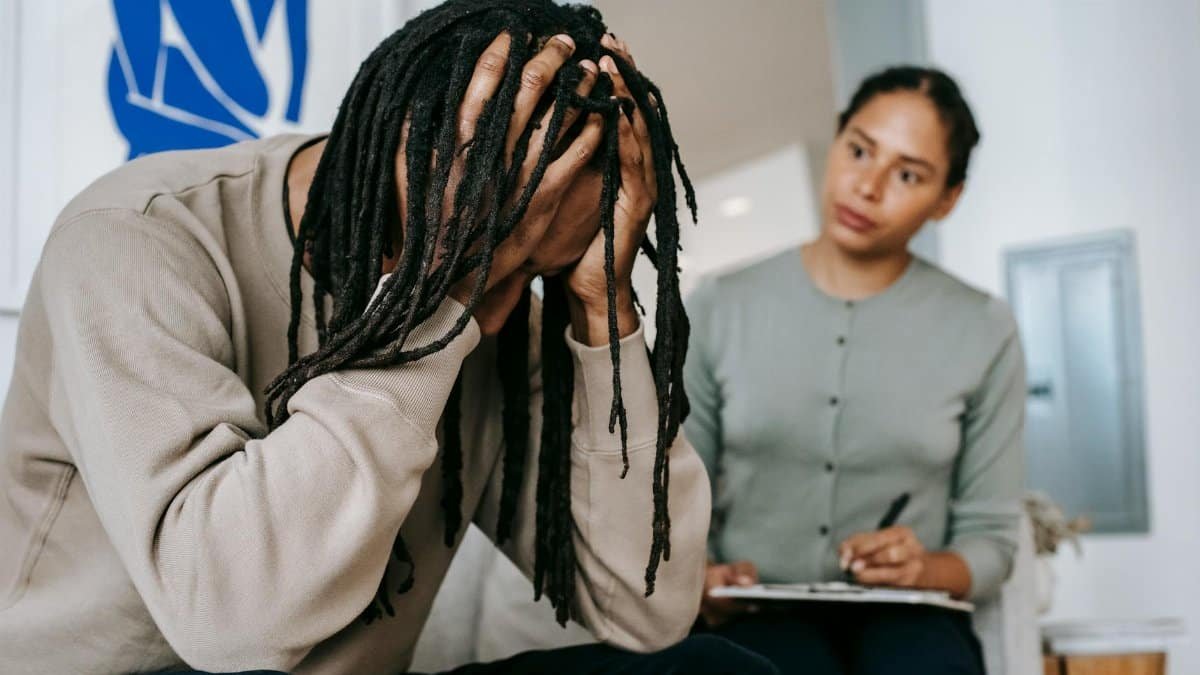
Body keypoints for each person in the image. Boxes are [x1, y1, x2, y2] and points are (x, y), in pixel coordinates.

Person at [0, 1, 778, 673]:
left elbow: (649, 607)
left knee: (707, 670)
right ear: (410, 164)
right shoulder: (136, 241)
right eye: (493, 267)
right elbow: (228, 619)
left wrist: (602, 308)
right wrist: (437, 300)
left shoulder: (508, 314)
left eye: (539, 272)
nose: (501, 313)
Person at [684, 66, 1026, 674]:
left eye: (908, 174)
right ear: (837, 139)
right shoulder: (719, 305)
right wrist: (700, 576)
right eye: (860, 150)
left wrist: (925, 569)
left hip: (913, 619)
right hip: (756, 618)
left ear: (947, 199)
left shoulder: (984, 327)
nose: (867, 186)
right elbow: (676, 493)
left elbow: (992, 539)